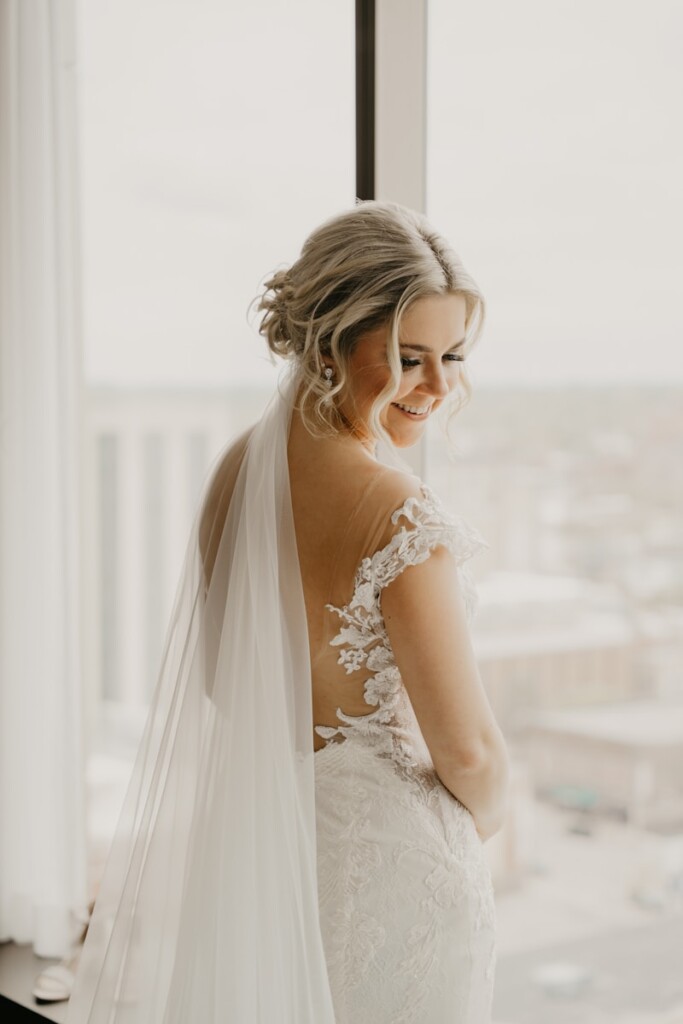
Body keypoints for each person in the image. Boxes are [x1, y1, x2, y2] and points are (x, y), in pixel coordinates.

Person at [66, 200, 509, 1024]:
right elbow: (471, 752)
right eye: (411, 357)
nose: (440, 387)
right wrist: (465, 832)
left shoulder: (238, 470)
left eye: (452, 356)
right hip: (398, 879)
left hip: (263, 863)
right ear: (330, 341)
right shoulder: (398, 514)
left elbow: (225, 686)